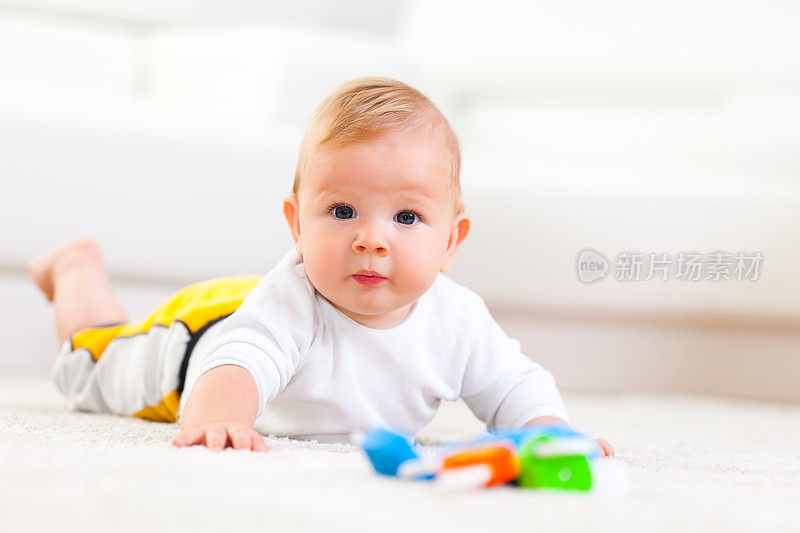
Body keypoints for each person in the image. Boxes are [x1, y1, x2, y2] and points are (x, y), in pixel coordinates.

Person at [27, 77, 614, 457]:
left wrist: (546, 428)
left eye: (407, 218)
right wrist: (221, 419)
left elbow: (511, 382)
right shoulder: (294, 303)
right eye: (341, 210)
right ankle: (76, 268)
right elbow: (240, 360)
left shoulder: (456, 319)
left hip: (248, 306)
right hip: (199, 339)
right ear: (297, 225)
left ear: (451, 242)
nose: (370, 240)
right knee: (89, 365)